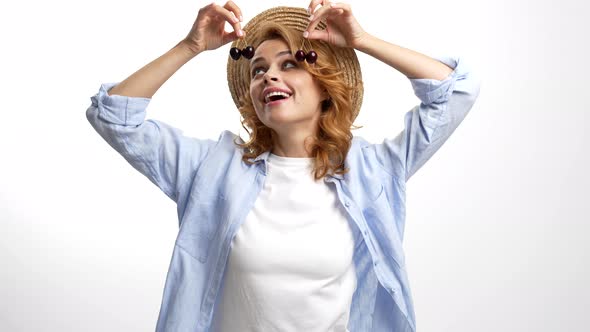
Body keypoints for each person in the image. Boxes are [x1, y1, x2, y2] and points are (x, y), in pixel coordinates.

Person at [86, 1, 481, 331]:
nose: (269, 74)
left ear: (325, 86)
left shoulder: (371, 172)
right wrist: (189, 46)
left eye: (290, 63)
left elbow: (457, 90)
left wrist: (363, 41)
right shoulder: (211, 169)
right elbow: (113, 116)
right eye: (258, 69)